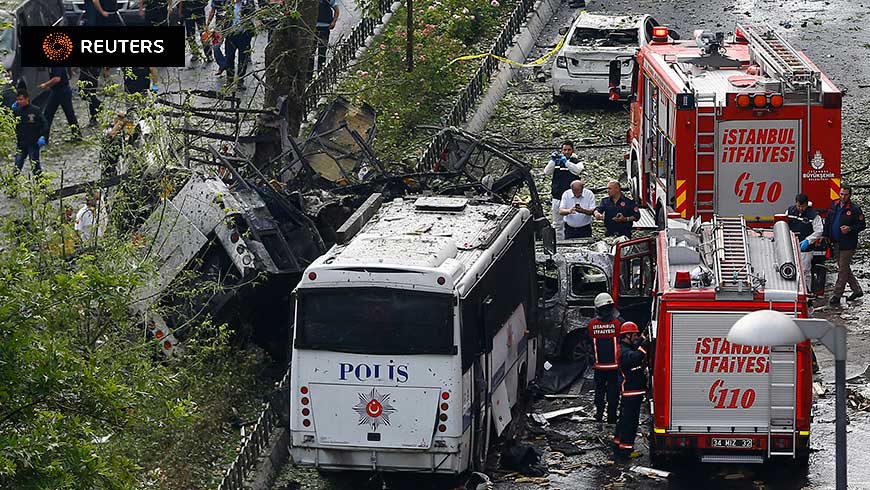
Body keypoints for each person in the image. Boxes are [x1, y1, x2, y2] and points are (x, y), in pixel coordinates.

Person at [823, 185, 865, 306]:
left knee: (842, 270)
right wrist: (826, 235)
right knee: (844, 268)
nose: (843, 196)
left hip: (848, 243)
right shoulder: (834, 205)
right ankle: (857, 290)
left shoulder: (855, 209)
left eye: (846, 194)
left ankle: (837, 295)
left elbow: (862, 225)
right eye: (841, 194)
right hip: (836, 242)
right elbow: (828, 221)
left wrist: (850, 228)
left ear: (850, 195)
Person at [587, 292, 623, 424]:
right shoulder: (619, 324)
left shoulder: (591, 325)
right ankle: (612, 417)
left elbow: (589, 343)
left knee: (600, 390)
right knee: (613, 392)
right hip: (614, 367)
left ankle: (599, 414)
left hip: (599, 366)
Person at [613, 321, 647, 457]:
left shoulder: (625, 347)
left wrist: (643, 339)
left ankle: (618, 444)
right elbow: (635, 357)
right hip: (631, 390)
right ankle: (626, 450)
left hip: (631, 390)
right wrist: (644, 347)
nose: (636, 337)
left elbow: (635, 347)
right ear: (628, 335)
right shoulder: (624, 351)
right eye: (635, 335)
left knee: (623, 419)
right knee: (630, 422)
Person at [544, 140, 584, 240]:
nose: (566, 152)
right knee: (557, 223)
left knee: (572, 220)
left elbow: (577, 170)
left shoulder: (576, 162)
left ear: (572, 150)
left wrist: (566, 163)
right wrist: (553, 161)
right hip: (557, 197)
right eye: (564, 150)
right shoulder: (557, 162)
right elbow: (546, 172)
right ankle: (560, 242)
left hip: (571, 198)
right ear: (561, 150)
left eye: (569, 150)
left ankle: (572, 239)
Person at [786, 193, 823, 289]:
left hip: (806, 250)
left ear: (807, 204)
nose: (800, 209)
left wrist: (808, 240)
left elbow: (819, 230)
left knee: (805, 272)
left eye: (802, 207)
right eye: (798, 206)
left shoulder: (813, 215)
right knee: (791, 270)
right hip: (791, 246)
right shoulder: (790, 211)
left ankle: (807, 291)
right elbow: (784, 224)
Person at [38, 67, 81, 144]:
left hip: (62, 91)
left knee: (69, 114)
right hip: (56, 91)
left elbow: (57, 78)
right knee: (48, 115)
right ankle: (44, 138)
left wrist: (46, 85)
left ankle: (77, 135)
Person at [222, 0, 257, 90]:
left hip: (244, 35)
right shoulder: (228, 3)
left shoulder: (248, 3)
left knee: (243, 58)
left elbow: (252, 12)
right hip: (231, 35)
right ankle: (229, 80)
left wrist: (243, 4)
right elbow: (222, 16)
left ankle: (240, 80)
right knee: (229, 57)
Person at [11, 90, 47, 176]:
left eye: (21, 99)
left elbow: (44, 124)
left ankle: (42, 187)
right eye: (18, 100)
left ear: (27, 99)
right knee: (17, 166)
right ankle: (13, 187)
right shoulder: (17, 112)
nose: (19, 102)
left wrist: (42, 136)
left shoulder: (35, 110)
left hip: (33, 143)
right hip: (21, 143)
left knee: (35, 167)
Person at [310, 0, 339, 73]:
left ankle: (320, 72)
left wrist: (333, 22)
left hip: (324, 27)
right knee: (311, 52)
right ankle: (309, 76)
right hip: (312, 28)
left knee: (322, 51)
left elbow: (336, 10)